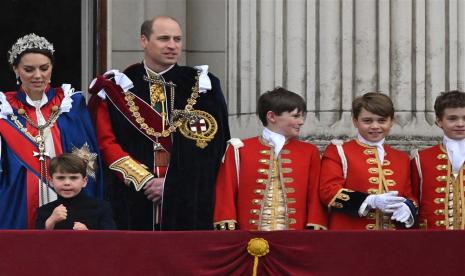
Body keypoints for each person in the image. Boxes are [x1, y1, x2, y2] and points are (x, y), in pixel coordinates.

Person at [88, 16, 230, 230]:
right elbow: (105, 142)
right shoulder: (119, 86)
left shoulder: (203, 85)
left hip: (188, 200)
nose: (172, 46)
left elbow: (214, 146)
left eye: (177, 39)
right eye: (164, 39)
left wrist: (173, 185)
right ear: (144, 41)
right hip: (132, 198)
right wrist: (144, 180)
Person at [0, 33, 103, 229]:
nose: (38, 76)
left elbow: (87, 160)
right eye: (29, 69)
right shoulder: (4, 108)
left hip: (66, 196)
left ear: (52, 68)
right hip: (18, 198)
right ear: (15, 69)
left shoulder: (70, 103)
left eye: (44, 68)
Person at [213, 87, 327, 231]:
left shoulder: (309, 151)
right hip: (249, 237)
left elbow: (315, 196)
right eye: (296, 116)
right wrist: (227, 225)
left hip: (295, 237)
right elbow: (226, 192)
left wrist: (315, 225)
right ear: (272, 117)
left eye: (302, 116)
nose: (301, 121)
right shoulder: (239, 149)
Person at [319, 92, 417, 230]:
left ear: (391, 122)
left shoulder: (401, 158)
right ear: (355, 121)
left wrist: (408, 208)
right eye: (367, 121)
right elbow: (328, 191)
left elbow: (410, 195)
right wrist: (370, 200)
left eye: (382, 120)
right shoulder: (339, 151)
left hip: (393, 241)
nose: (375, 126)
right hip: (351, 237)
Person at [411, 90, 465, 229]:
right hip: (433, 240)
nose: (460, 123)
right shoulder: (421, 159)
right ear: (439, 121)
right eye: (452, 118)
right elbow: (413, 200)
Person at [36, 153, 115, 230]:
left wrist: (88, 234)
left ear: (84, 181)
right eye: (61, 178)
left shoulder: (101, 208)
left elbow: (111, 241)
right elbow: (36, 242)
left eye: (73, 178)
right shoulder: (44, 211)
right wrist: (51, 222)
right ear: (51, 181)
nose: (67, 183)